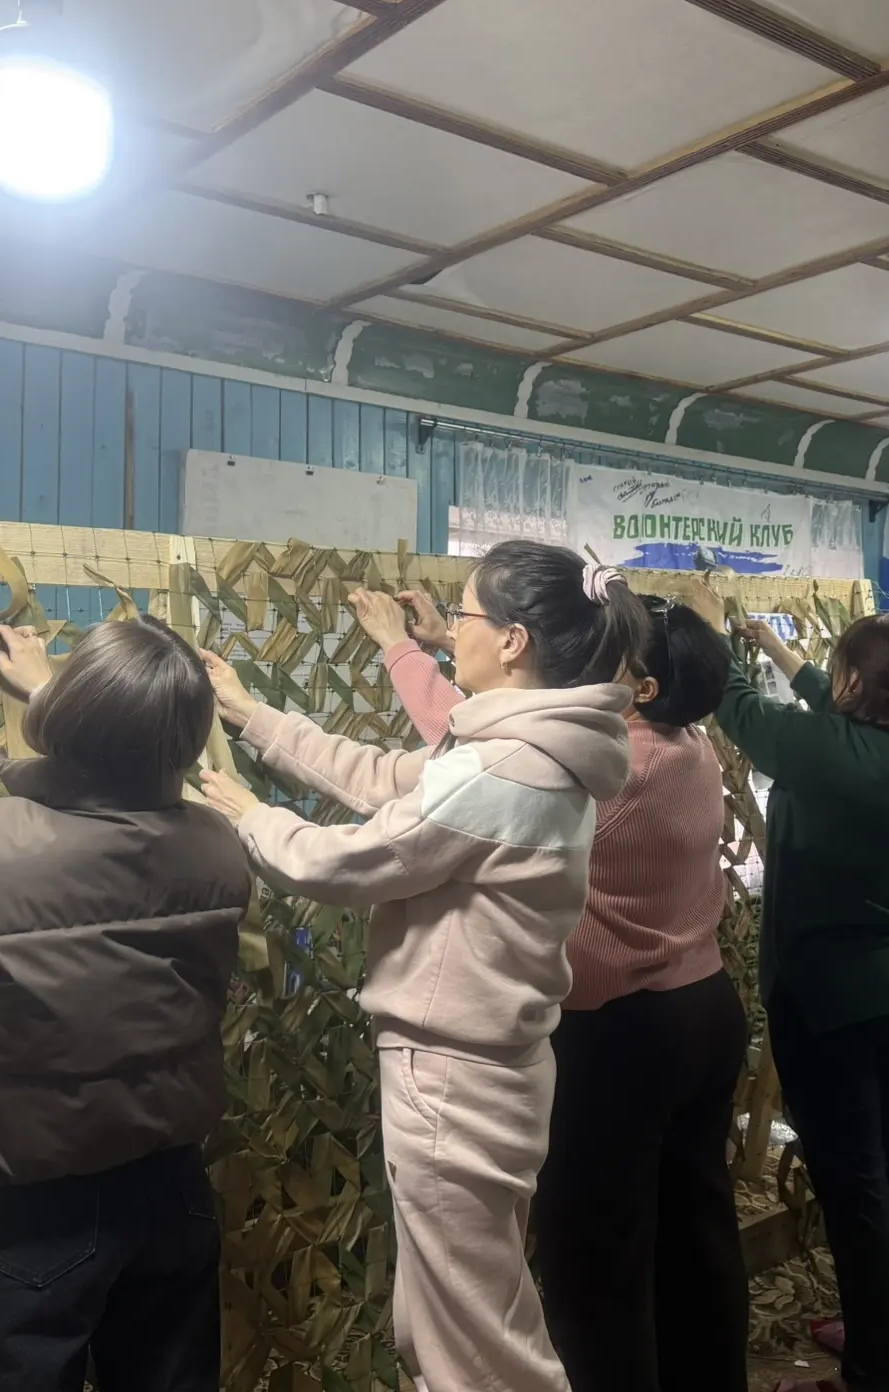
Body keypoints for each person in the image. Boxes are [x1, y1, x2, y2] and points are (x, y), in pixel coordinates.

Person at [195, 542, 644, 1392]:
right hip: (489, 1062)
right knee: (452, 1312)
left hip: (454, 1077)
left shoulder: (505, 768)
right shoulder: (534, 750)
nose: (453, 629)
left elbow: (349, 862)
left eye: (463, 613)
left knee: (475, 1343)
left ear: (511, 640)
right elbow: (388, 781)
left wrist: (252, 816)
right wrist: (256, 717)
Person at [347, 583, 746, 1392]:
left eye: (608, 654)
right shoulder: (691, 747)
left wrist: (400, 649)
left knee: (597, 1256)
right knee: (695, 1230)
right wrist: (452, 643)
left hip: (623, 1036)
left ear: (641, 688)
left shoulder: (611, 767)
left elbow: (473, 752)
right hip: (703, 1011)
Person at [0, 605, 248, 1392]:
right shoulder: (222, 846)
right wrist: (47, 687)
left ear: (70, 724)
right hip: (171, 1186)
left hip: (33, 1208)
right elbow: (123, 774)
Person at [694, 587, 889, 1392]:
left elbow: (737, 706)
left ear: (855, 683)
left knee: (853, 1181)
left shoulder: (829, 751)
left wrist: (709, 630)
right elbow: (833, 718)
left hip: (837, 996)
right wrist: (785, 653)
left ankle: (876, 1370)